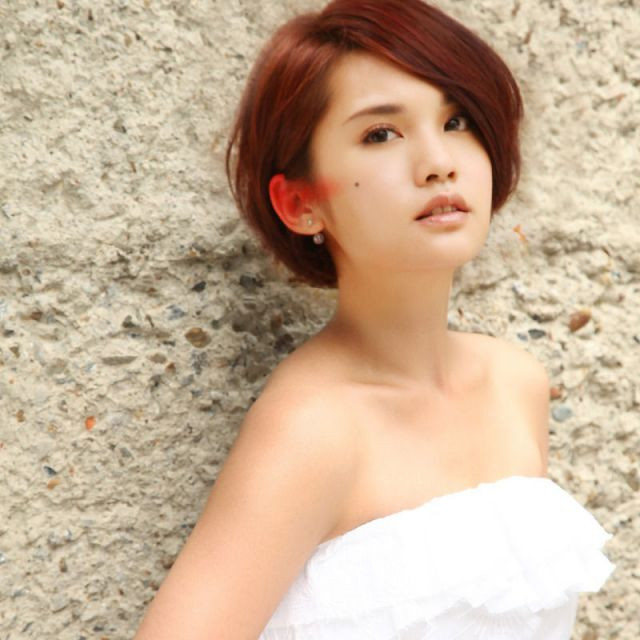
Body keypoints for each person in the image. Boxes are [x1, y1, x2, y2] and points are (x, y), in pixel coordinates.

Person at [134, 1, 615, 638]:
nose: (439, 161)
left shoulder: (514, 382)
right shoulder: (314, 428)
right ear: (299, 202)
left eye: (457, 120)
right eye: (381, 134)